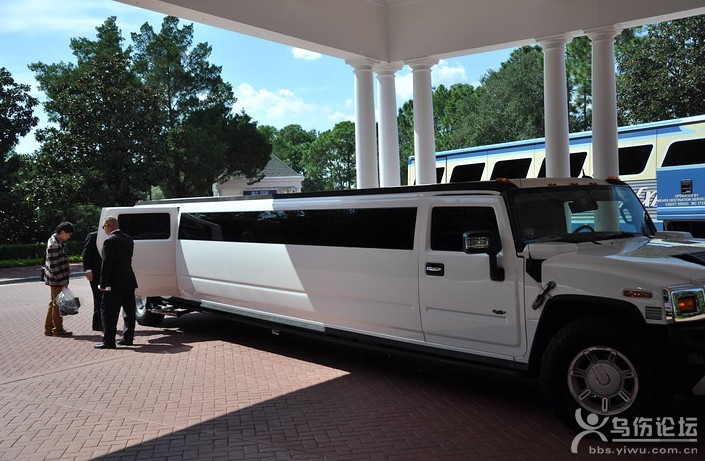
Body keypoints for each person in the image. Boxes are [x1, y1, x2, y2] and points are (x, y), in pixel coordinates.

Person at [95, 216, 138, 349]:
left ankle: (109, 341)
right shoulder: (128, 239)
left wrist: (102, 284)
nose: (104, 229)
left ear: (108, 226)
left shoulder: (110, 241)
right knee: (129, 312)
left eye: (104, 227)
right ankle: (128, 338)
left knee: (108, 312)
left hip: (114, 284)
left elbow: (107, 265)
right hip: (129, 281)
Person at [43, 221, 74, 337]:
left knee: (54, 303)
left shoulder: (55, 240)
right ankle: (57, 329)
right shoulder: (54, 245)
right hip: (57, 280)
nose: (69, 237)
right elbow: (54, 267)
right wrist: (63, 282)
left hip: (55, 279)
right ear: (62, 232)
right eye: (68, 234)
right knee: (57, 304)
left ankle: (49, 328)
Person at [82, 230, 103, 331]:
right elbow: (86, 254)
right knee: (98, 298)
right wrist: (88, 270)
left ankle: (98, 324)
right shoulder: (93, 236)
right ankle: (100, 324)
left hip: (105, 273)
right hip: (95, 273)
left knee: (101, 299)